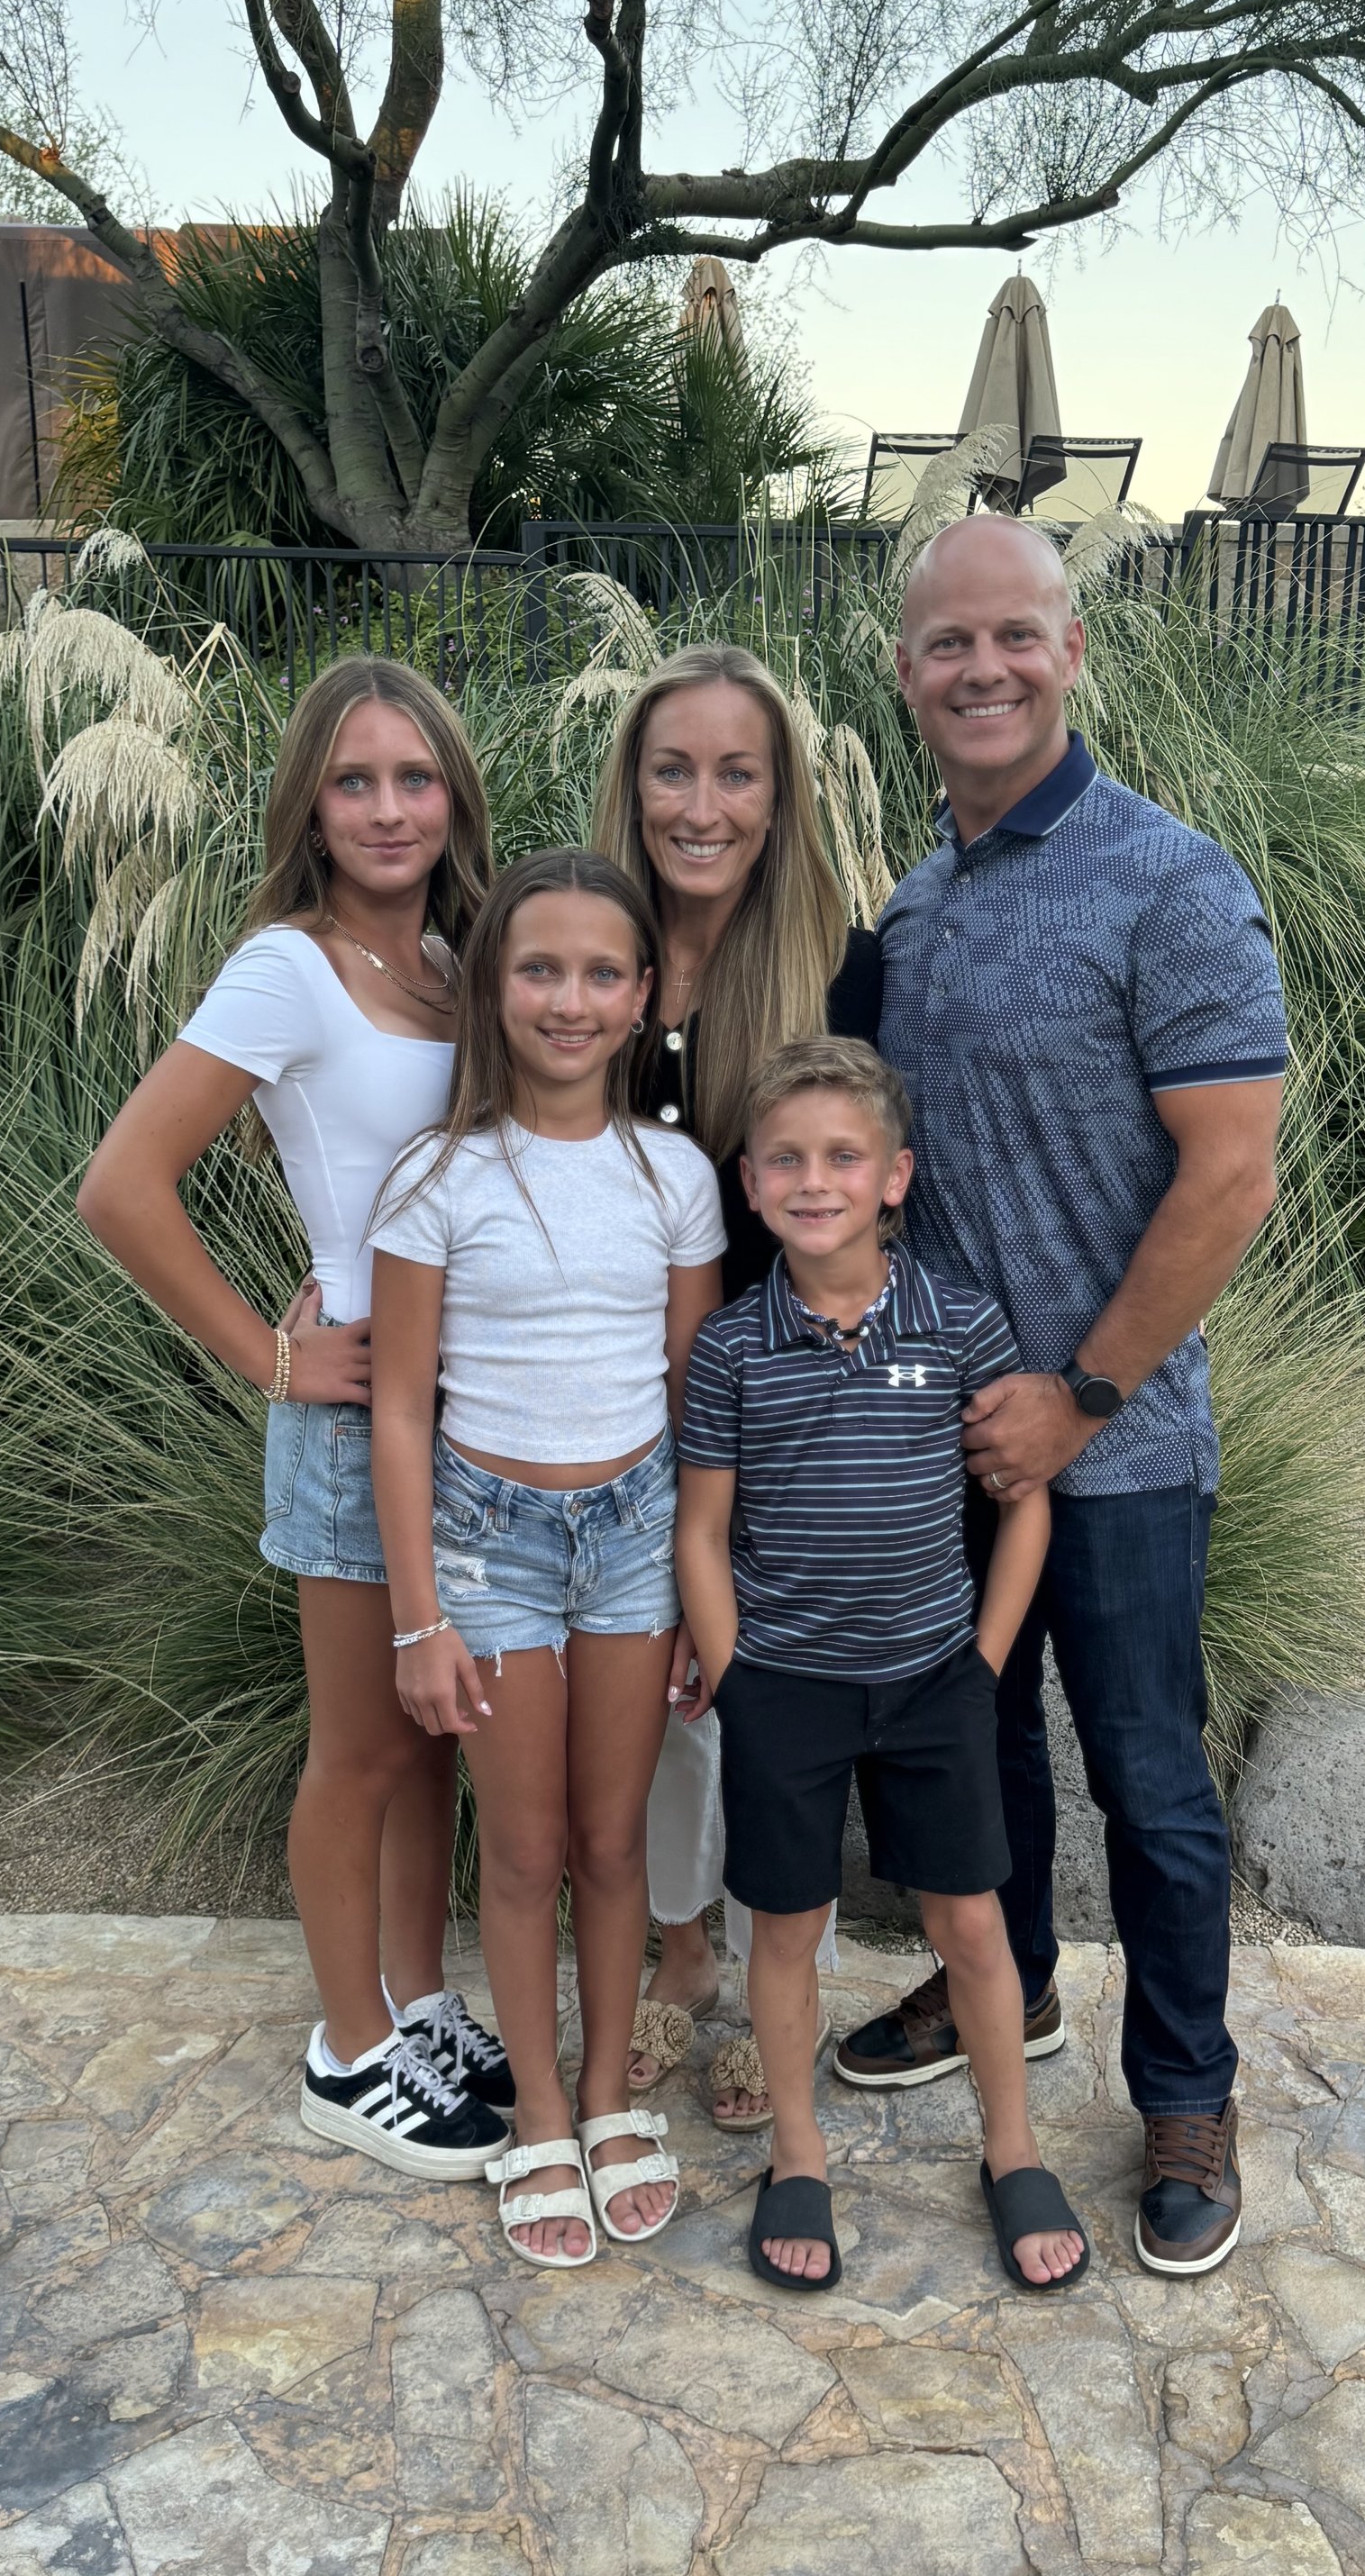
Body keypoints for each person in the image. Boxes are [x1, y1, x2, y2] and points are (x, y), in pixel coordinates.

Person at [847, 516, 1284, 2281]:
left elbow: (1228, 1173)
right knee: (971, 1743)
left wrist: (1083, 1393)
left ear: (1071, 650)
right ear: (902, 672)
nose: (981, 668)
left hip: (1114, 1447)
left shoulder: (1167, 879)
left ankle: (1183, 2088)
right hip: (941, 1434)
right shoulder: (913, 904)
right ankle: (1003, 1985)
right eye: (946, 642)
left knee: (1146, 1780)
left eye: (1013, 635)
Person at [77, 658, 516, 2181]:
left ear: (452, 792)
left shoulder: (463, 963)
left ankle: (414, 2003)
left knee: (433, 1735)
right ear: (310, 809)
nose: (389, 809)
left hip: (471, 1422)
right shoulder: (291, 967)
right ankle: (347, 2054)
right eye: (353, 781)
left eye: (413, 777)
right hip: (353, 1421)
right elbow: (122, 1188)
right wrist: (267, 1357)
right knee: (360, 1754)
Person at [676, 1037, 1088, 2292]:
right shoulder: (733, 1350)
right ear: (748, 1184)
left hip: (930, 1681)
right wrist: (735, 1673)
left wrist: (984, 1658)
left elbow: (1024, 1502)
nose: (815, 1181)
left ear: (894, 1175)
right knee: (786, 1927)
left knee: (971, 1920)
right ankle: (797, 2154)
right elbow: (701, 1526)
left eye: (842, 1156)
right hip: (785, 1685)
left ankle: (1010, 2147)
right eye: (786, 1160)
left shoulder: (959, 1322)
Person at [368, 849, 725, 2267]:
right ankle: (532, 2117)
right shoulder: (439, 1176)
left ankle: (605, 2097)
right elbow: (400, 1406)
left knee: (608, 1837)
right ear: (492, 986)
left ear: (642, 995)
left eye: (598, 974)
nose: (567, 1000)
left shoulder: (675, 1173)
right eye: (537, 969)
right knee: (518, 1851)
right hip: (493, 1546)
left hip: (636, 1538)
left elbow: (696, 1390)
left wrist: (709, 1586)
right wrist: (417, 1616)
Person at [591, 643, 881, 2126]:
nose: (701, 805)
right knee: (653, 1690)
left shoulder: (838, 963)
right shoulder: (585, 948)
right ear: (633, 782)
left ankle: (775, 1964)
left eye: (737, 772)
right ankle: (681, 1955)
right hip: (601, 1409)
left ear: (781, 796)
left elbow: (877, 1193)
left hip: (789, 1410)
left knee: (762, 1693)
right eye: (673, 769)